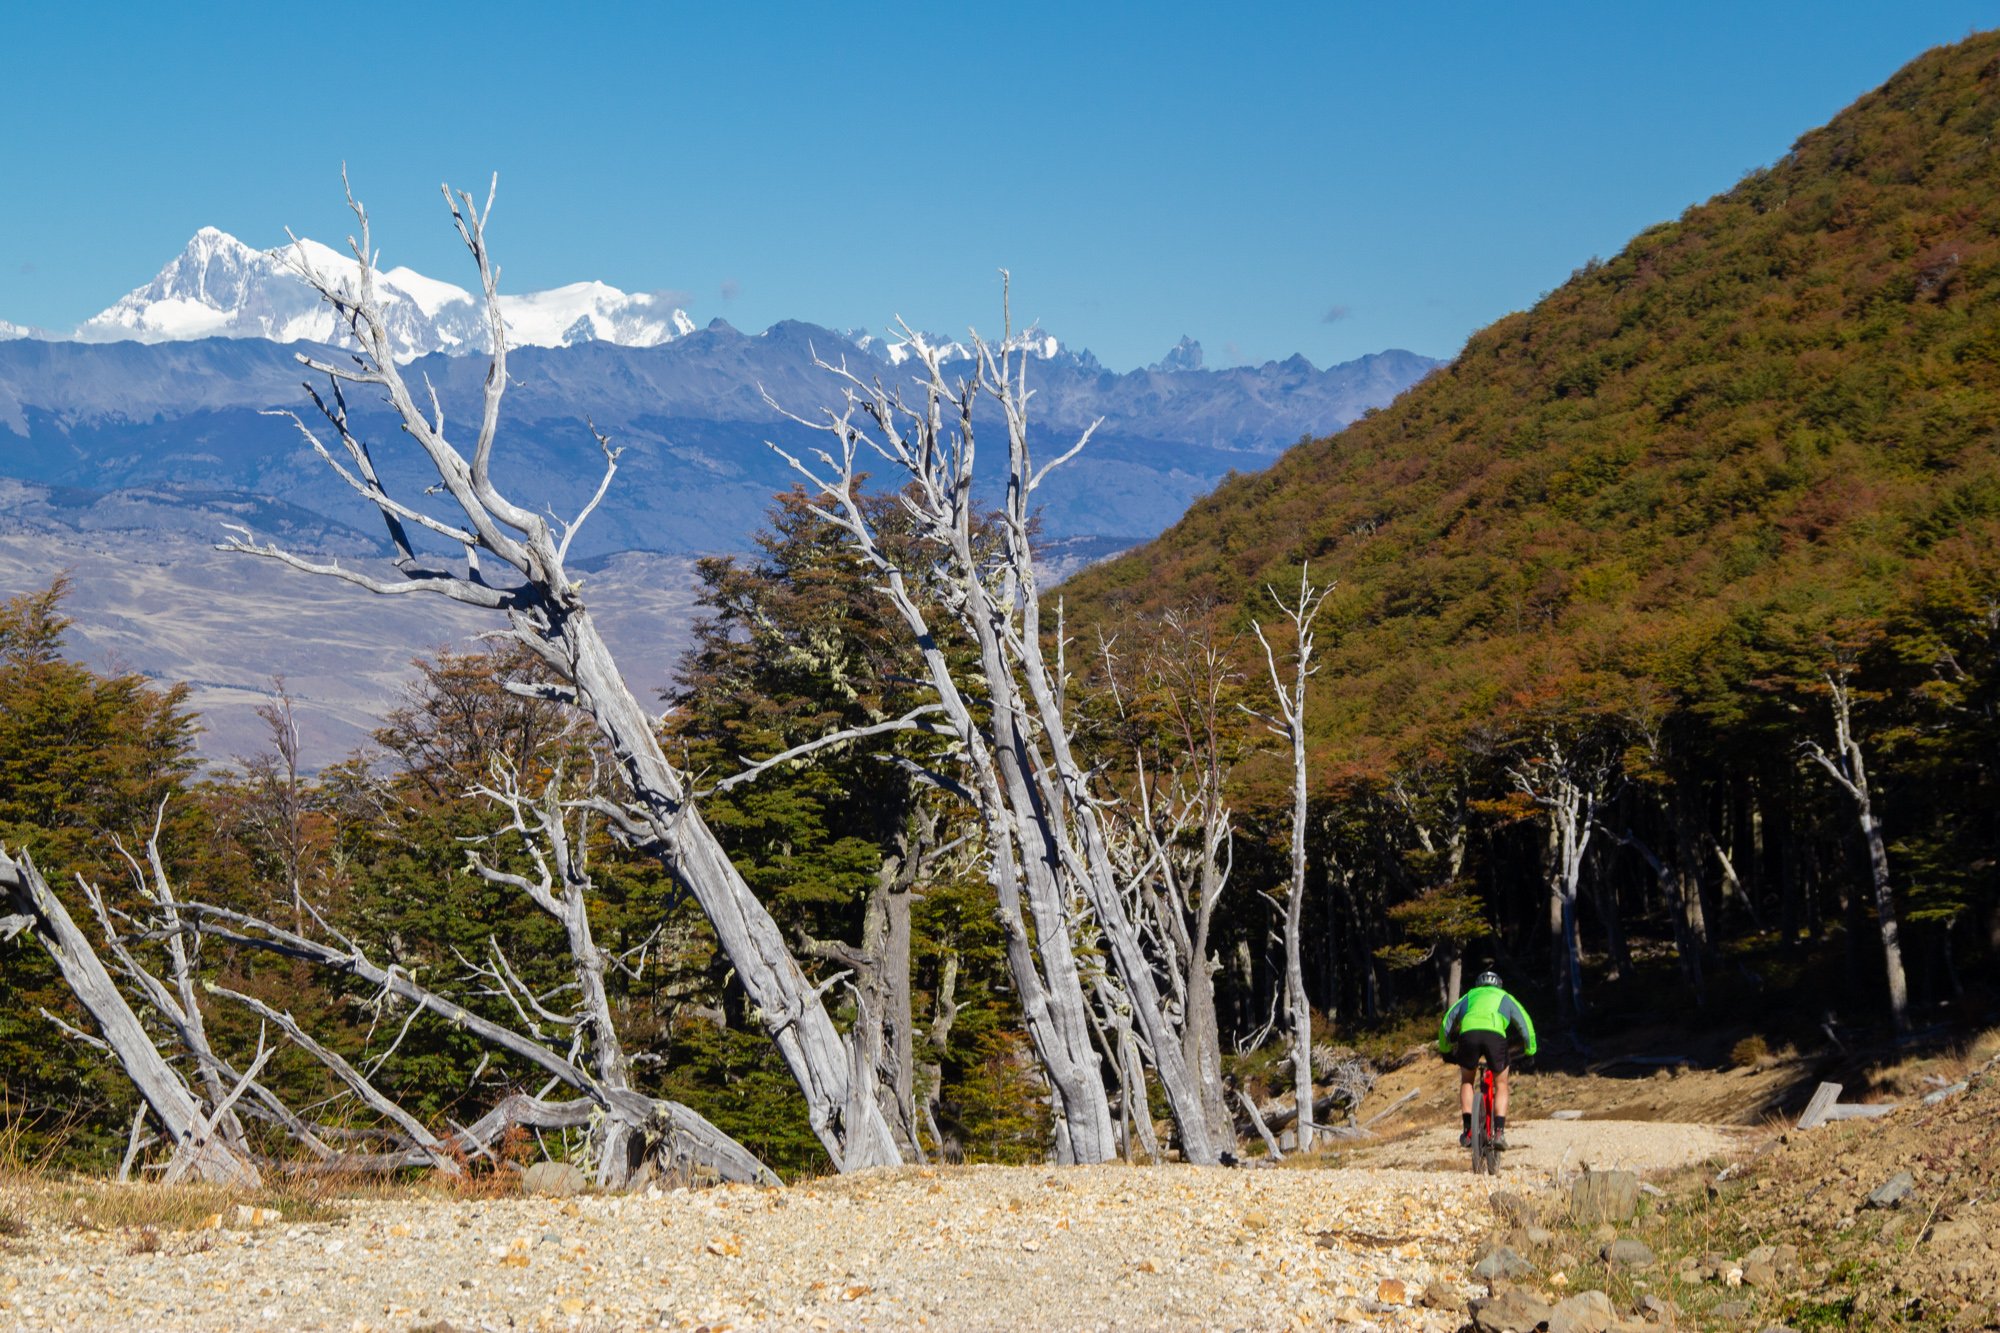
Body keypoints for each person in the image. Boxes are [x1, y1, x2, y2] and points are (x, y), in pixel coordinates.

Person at [1437, 970, 1537, 1150]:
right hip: (1495, 1037)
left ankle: (1468, 1131)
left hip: (1469, 1035)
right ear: (1498, 984)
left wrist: (1445, 1049)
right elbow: (1524, 1023)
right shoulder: (1504, 996)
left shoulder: (1469, 996)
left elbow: (1447, 1021)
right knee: (1501, 1084)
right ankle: (1499, 1132)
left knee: (1467, 1081)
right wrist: (1531, 1051)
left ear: (1479, 985)